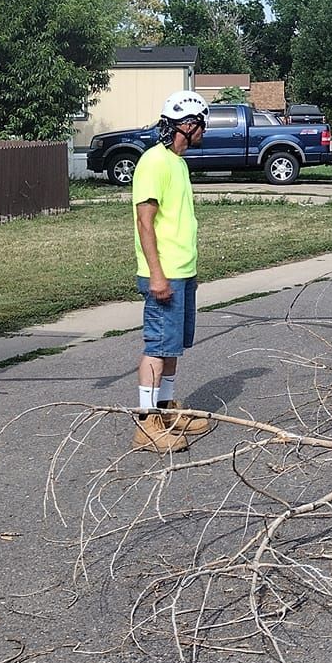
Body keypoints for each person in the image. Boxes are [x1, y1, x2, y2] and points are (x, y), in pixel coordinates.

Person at [132, 90, 215, 451]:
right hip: (163, 273)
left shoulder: (177, 162)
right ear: (187, 125)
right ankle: (145, 420)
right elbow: (144, 222)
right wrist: (157, 274)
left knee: (172, 347)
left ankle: (165, 409)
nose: (204, 132)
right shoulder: (154, 162)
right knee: (157, 345)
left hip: (182, 271)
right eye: (202, 126)